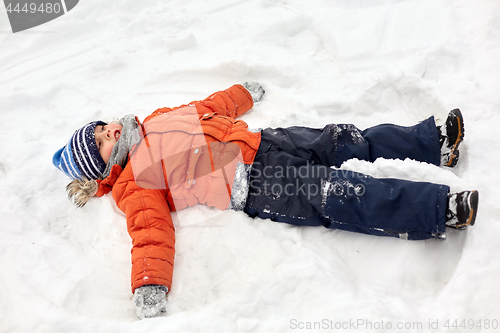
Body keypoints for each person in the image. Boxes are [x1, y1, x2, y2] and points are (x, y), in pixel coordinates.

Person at [52, 83, 479, 319]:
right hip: (256, 182)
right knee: (340, 193)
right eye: (99, 147)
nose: (106, 135)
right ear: (103, 171)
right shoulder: (133, 184)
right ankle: (440, 210)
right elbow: (149, 233)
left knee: (342, 139)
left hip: (264, 141)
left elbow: (204, 105)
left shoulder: (154, 118)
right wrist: (149, 284)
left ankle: (432, 141)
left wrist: (240, 96)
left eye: (98, 130)